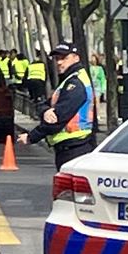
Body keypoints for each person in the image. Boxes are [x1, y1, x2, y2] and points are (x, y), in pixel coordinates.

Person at [18, 42, 96, 171]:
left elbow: (58, 117)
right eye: (57, 58)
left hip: (75, 147)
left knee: (68, 190)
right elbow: (45, 104)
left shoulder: (75, 84)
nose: (59, 62)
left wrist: (32, 137)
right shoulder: (68, 80)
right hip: (68, 147)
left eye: (64, 58)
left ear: (76, 58)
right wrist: (46, 111)